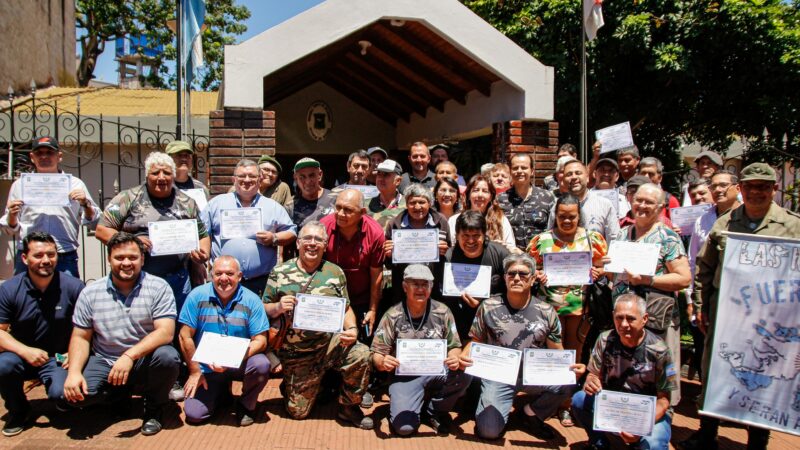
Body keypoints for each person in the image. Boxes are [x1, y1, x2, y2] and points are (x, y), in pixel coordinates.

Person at [680, 163, 800, 450]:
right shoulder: (725, 224)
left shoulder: (793, 226)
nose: (756, 191)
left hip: (774, 318)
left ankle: (758, 441)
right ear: (742, 189)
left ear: (773, 189)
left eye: (763, 186)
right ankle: (707, 434)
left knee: (767, 375)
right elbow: (705, 269)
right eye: (751, 186)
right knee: (715, 373)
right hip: (727, 314)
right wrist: (700, 306)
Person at [62, 232, 181, 436]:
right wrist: (73, 373)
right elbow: (80, 337)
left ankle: (154, 408)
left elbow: (165, 333)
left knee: (168, 358)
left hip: (144, 359)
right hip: (106, 359)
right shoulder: (90, 293)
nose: (126, 263)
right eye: (119, 257)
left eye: (133, 257)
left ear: (142, 259)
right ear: (109, 259)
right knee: (75, 396)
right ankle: (117, 394)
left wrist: (129, 356)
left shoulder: (159, 287)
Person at [262, 221, 373, 429]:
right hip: (296, 352)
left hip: (328, 344)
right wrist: (277, 306)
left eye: (318, 240)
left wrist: (352, 329)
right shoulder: (280, 272)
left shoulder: (335, 272)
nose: (312, 244)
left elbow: (346, 307)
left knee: (361, 354)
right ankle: (300, 385)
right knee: (298, 413)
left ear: (325, 244)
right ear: (298, 243)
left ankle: (348, 407)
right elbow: (263, 308)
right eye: (307, 239)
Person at [459, 254, 582, 441]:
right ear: (505, 278)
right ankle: (493, 407)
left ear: (533, 279)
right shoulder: (488, 306)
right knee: (488, 431)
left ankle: (530, 413)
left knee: (568, 381)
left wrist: (570, 368)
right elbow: (476, 340)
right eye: (511, 274)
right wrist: (463, 355)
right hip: (498, 375)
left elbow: (557, 349)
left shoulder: (547, 311)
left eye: (523, 274)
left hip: (532, 373)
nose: (516, 278)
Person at [95, 151, 211, 310]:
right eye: (155, 173)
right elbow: (102, 230)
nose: (161, 177)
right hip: (138, 278)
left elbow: (203, 235)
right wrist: (132, 242)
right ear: (147, 175)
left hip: (178, 279)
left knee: (177, 326)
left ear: (173, 175)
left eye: (167, 173)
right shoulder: (128, 198)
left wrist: (201, 256)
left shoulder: (187, 202)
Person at [612, 183, 691, 406]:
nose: (642, 205)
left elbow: (684, 278)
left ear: (660, 207)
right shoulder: (623, 233)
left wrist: (649, 280)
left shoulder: (667, 237)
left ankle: (663, 416)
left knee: (659, 371)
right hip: (625, 318)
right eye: (639, 200)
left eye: (649, 202)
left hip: (656, 319)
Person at [0, 232, 84, 436]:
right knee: (3, 365)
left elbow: (87, 329)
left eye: (51, 254)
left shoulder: (74, 287)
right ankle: (19, 409)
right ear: (24, 258)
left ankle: (59, 397)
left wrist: (73, 356)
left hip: (58, 358)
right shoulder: (9, 289)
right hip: (21, 356)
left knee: (62, 396)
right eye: (38, 255)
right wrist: (24, 351)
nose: (46, 260)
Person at [371, 264, 470, 436]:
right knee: (404, 429)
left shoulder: (443, 311)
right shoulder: (392, 315)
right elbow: (377, 354)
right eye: (415, 284)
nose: (420, 289)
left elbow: (454, 346)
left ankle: (433, 410)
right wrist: (383, 362)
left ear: (431, 288)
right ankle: (410, 403)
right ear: (404, 287)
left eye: (425, 284)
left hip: (436, 371)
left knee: (466, 372)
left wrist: (455, 358)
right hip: (405, 377)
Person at [571, 293, 676, 450]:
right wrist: (590, 381)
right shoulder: (605, 339)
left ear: (645, 319)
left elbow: (664, 399)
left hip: (646, 411)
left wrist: (640, 426)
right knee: (579, 399)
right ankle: (599, 443)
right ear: (613, 316)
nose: (624, 324)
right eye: (619, 318)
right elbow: (593, 374)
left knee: (654, 444)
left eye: (631, 318)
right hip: (614, 404)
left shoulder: (659, 350)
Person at [178, 256, 270, 427]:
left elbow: (261, 340)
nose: (224, 278)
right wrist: (194, 371)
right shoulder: (197, 296)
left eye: (230, 273)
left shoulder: (252, 300)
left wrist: (231, 359)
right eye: (218, 273)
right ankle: (220, 392)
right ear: (211, 275)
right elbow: (185, 336)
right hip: (207, 367)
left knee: (261, 364)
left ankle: (246, 405)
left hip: (239, 363)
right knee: (194, 415)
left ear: (239, 276)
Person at [1, 136, 101, 278]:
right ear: (32, 157)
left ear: (59, 156)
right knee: (23, 299)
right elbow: (10, 228)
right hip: (29, 255)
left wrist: (86, 204)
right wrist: (11, 215)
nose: (44, 156)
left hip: (64, 254)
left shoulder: (75, 184)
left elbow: (95, 222)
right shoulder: (19, 185)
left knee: (66, 298)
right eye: (39, 153)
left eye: (49, 152)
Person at [529, 194, 608, 364]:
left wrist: (598, 272)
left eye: (572, 217)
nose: (566, 221)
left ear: (579, 216)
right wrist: (537, 274)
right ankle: (553, 388)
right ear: (555, 216)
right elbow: (529, 268)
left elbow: (605, 267)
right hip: (548, 308)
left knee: (574, 354)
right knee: (551, 354)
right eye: (562, 216)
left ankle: (571, 388)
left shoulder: (592, 239)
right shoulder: (541, 240)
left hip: (580, 307)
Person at [202, 159, 297, 296]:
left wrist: (274, 237)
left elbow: (291, 232)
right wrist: (203, 257)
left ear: (260, 179)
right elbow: (202, 232)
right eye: (241, 176)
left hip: (260, 282)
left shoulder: (273, 206)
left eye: (252, 176)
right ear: (234, 179)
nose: (247, 180)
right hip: (223, 281)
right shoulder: (216, 204)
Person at [320, 189, 386, 342]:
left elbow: (376, 274)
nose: (341, 213)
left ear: (362, 212)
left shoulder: (375, 232)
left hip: (361, 299)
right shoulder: (324, 227)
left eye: (348, 210)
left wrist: (373, 309)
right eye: (338, 207)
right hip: (330, 299)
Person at [438, 211, 509, 341]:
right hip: (458, 323)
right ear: (457, 236)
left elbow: (512, 291)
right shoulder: (448, 257)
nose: (471, 241)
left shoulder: (500, 254)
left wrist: (484, 303)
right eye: (465, 235)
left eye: (476, 235)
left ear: (484, 235)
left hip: (494, 321)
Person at [384, 184, 451, 305]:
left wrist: (445, 251)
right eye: (412, 202)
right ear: (406, 203)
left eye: (422, 202)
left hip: (433, 284)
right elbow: (388, 264)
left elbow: (450, 251)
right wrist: (388, 255)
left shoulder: (441, 222)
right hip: (403, 286)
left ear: (429, 203)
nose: (417, 207)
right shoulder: (394, 224)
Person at [497, 153, 555, 251]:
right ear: (510, 171)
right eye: (515, 168)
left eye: (524, 168)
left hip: (541, 258)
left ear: (532, 171)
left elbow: (555, 229)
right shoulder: (501, 200)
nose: (519, 171)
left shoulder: (547, 197)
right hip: (511, 260)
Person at [553, 159, 619, 243]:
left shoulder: (605, 205)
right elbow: (550, 237)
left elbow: (614, 239)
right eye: (569, 174)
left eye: (578, 173)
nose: (574, 177)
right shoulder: (556, 206)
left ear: (587, 177)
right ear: (563, 180)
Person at [450, 175, 516, 253]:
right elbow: (451, 248)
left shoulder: (501, 220)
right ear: (468, 195)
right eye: (476, 190)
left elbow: (512, 249)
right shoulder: (454, 220)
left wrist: (502, 247)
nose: (480, 195)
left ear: (491, 197)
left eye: (485, 191)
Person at [291, 157, 335, 229]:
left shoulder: (335, 199)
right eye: (302, 177)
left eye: (312, 175)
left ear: (320, 175)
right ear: (296, 179)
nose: (308, 181)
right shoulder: (291, 207)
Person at [368, 159, 405, 228]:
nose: (381, 178)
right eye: (379, 174)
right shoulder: (366, 204)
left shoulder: (409, 205)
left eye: (386, 174)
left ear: (398, 181)